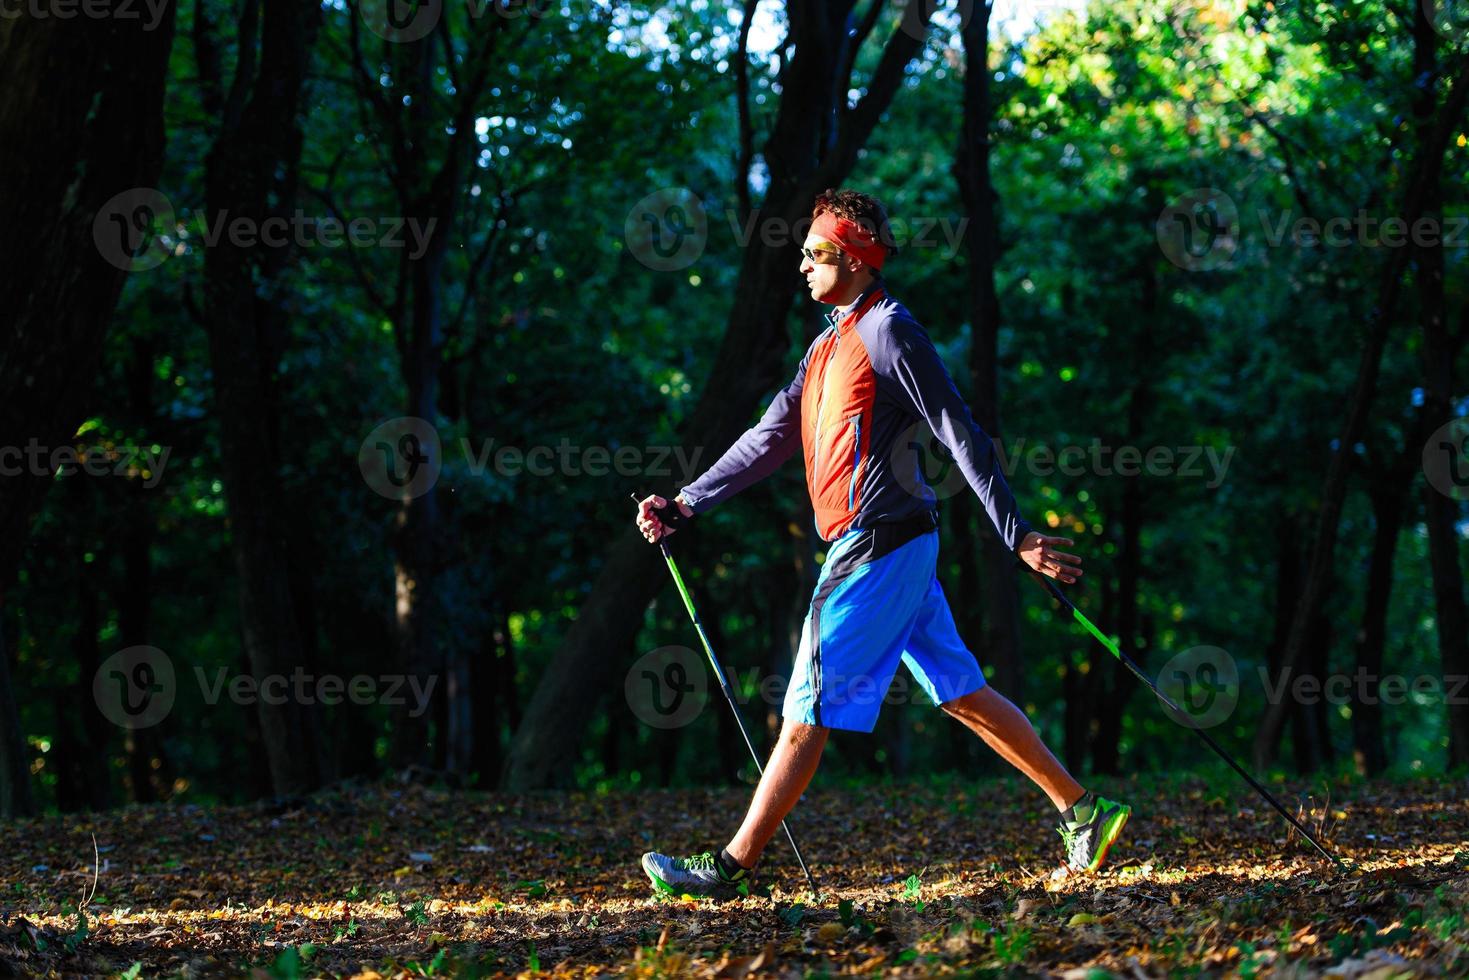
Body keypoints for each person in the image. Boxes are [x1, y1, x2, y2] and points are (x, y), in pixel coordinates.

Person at [633, 188, 1129, 898]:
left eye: (815, 253)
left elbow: (960, 431)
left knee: (807, 700)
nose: (801, 264)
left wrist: (1013, 534)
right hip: (891, 546)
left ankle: (732, 867)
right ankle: (1084, 810)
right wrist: (686, 501)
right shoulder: (827, 343)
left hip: (878, 546)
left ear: (857, 259)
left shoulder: (889, 332)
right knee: (961, 692)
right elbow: (768, 437)